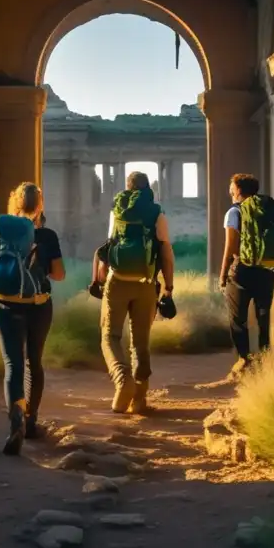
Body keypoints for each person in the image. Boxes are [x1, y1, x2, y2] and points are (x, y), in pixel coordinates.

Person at [0, 182, 64, 455]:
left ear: (13, 203)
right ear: (39, 206)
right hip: (38, 305)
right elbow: (59, 274)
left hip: (4, 306)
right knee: (33, 362)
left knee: (12, 365)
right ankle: (31, 420)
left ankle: (15, 424)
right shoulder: (47, 235)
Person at [97, 170, 175, 414]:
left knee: (110, 336)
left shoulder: (117, 211)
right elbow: (166, 253)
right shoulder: (157, 213)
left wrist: (99, 279)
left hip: (117, 281)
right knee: (140, 342)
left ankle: (122, 380)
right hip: (145, 283)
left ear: (128, 188)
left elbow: (109, 246)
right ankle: (139, 398)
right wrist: (169, 287)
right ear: (147, 189)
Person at [218, 173, 274, 378]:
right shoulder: (268, 209)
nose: (229, 190)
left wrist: (223, 274)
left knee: (237, 319)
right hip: (266, 268)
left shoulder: (234, 212)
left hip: (242, 269)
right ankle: (266, 358)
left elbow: (230, 246)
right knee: (263, 315)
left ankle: (244, 360)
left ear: (238, 189)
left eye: (231, 187)